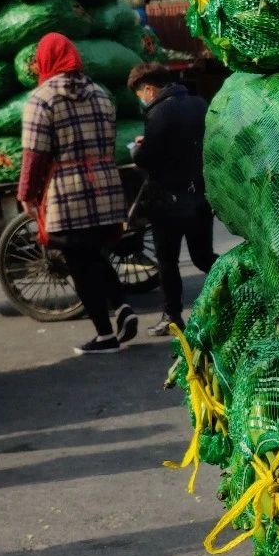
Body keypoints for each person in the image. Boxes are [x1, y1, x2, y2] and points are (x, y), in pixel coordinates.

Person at [18, 33, 136, 355]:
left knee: (80, 263)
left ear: (46, 61)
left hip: (68, 193)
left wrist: (27, 193)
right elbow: (109, 141)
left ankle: (105, 336)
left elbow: (34, 154)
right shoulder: (101, 93)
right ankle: (123, 306)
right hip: (106, 185)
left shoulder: (41, 99)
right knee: (94, 253)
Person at [126, 63, 217, 336]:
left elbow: (146, 157)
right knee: (203, 257)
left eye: (141, 95)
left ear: (149, 89)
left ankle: (173, 316)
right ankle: (241, 290)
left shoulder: (158, 112)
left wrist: (136, 150)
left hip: (168, 200)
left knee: (167, 261)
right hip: (200, 195)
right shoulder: (199, 103)